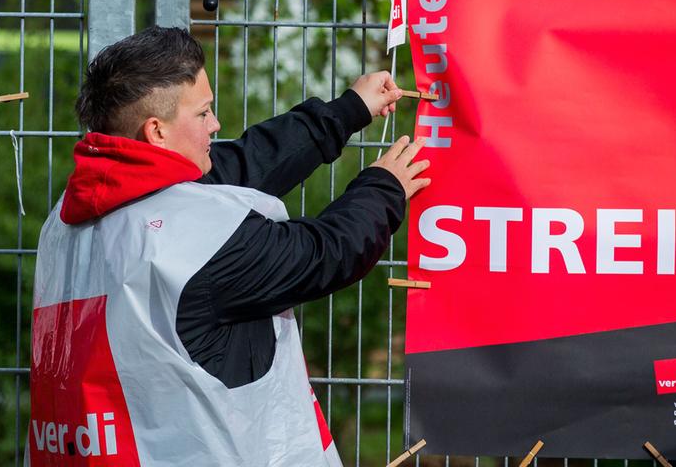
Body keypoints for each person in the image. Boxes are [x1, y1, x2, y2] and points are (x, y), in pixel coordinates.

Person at [29, 27, 430, 466]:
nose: (216, 124)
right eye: (203, 114)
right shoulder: (192, 243)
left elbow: (240, 165)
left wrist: (347, 111)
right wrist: (383, 187)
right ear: (157, 131)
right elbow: (325, 254)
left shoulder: (71, 217)